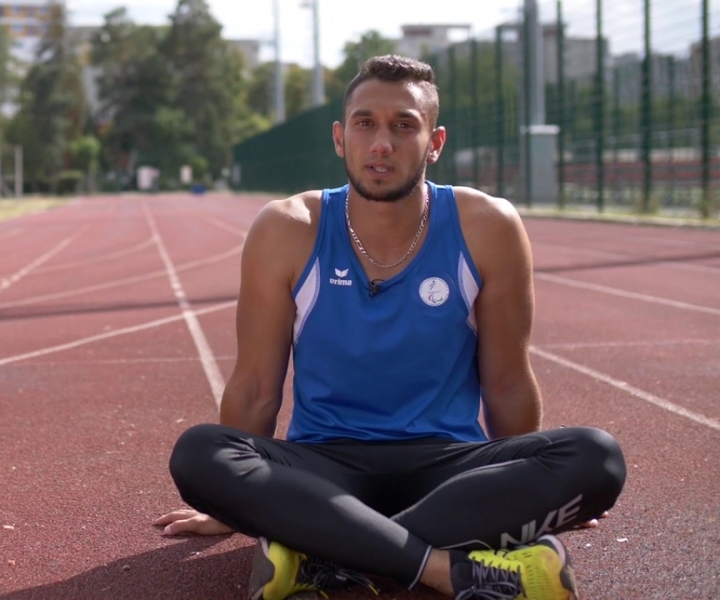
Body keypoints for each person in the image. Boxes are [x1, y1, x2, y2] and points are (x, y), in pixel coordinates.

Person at [154, 54, 626, 600]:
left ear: (434, 143)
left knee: (597, 457)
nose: (382, 143)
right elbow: (257, 387)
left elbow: (508, 382)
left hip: (448, 466)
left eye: (404, 126)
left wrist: (528, 490)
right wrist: (229, 505)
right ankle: (445, 568)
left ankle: (317, 549)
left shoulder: (486, 225)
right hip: (324, 465)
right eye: (365, 124)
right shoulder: (289, 228)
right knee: (201, 454)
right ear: (340, 138)